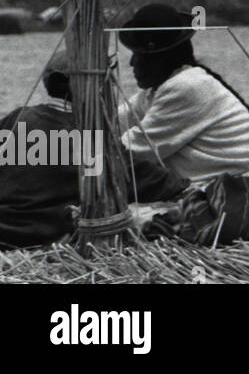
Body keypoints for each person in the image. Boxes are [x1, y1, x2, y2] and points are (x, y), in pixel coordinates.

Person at [115, 4, 249, 245]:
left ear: (160, 58)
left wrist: (73, 156)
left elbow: (131, 150)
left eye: (140, 55)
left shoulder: (187, 87)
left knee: (147, 223)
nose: (132, 64)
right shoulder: (160, 89)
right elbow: (116, 120)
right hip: (233, 183)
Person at [0, 51, 186, 249]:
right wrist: (185, 189)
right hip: (44, 239)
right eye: (107, 81)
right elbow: (151, 181)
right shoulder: (92, 137)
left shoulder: (15, 118)